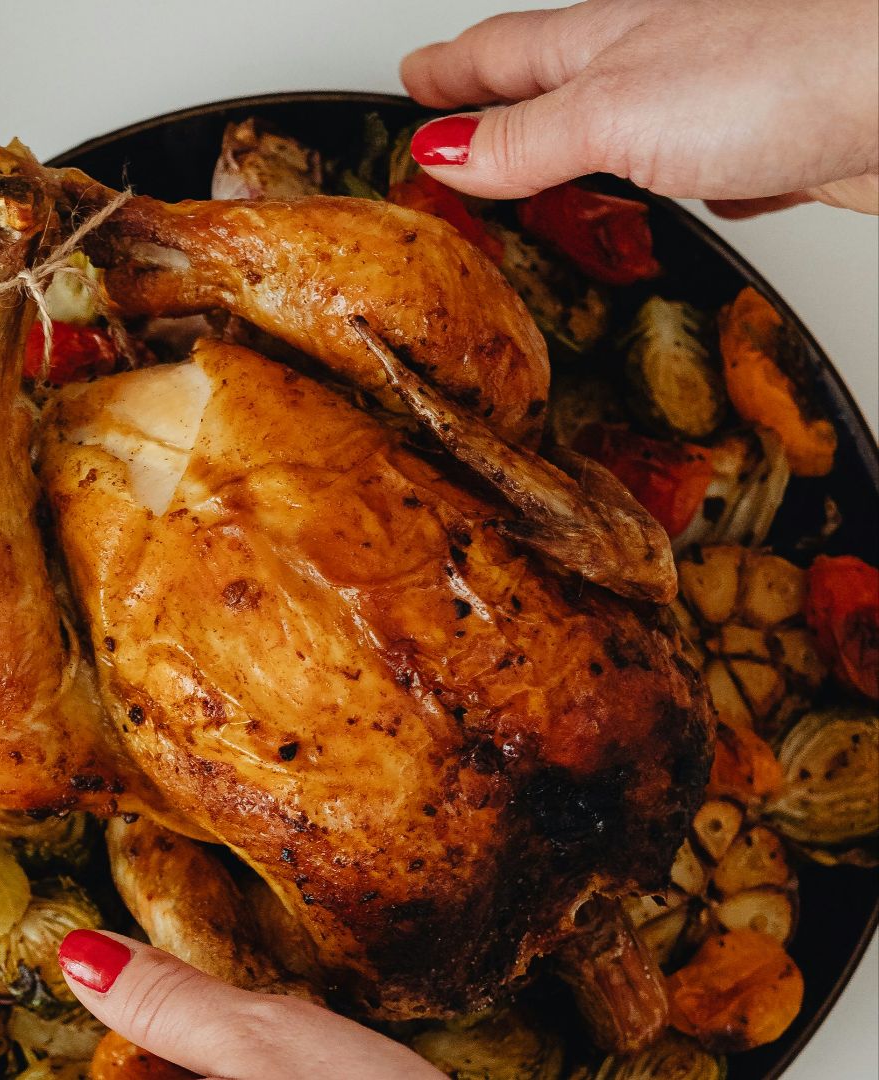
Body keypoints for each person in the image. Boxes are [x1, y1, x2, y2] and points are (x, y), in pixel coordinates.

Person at [56, 1, 878, 1076]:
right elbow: (628, 552)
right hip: (307, 399)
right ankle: (143, 243)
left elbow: (162, 855)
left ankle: (19, 299)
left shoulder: (422, 957)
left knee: (41, 752)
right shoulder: (655, 755)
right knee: (497, 372)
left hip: (76, 549)